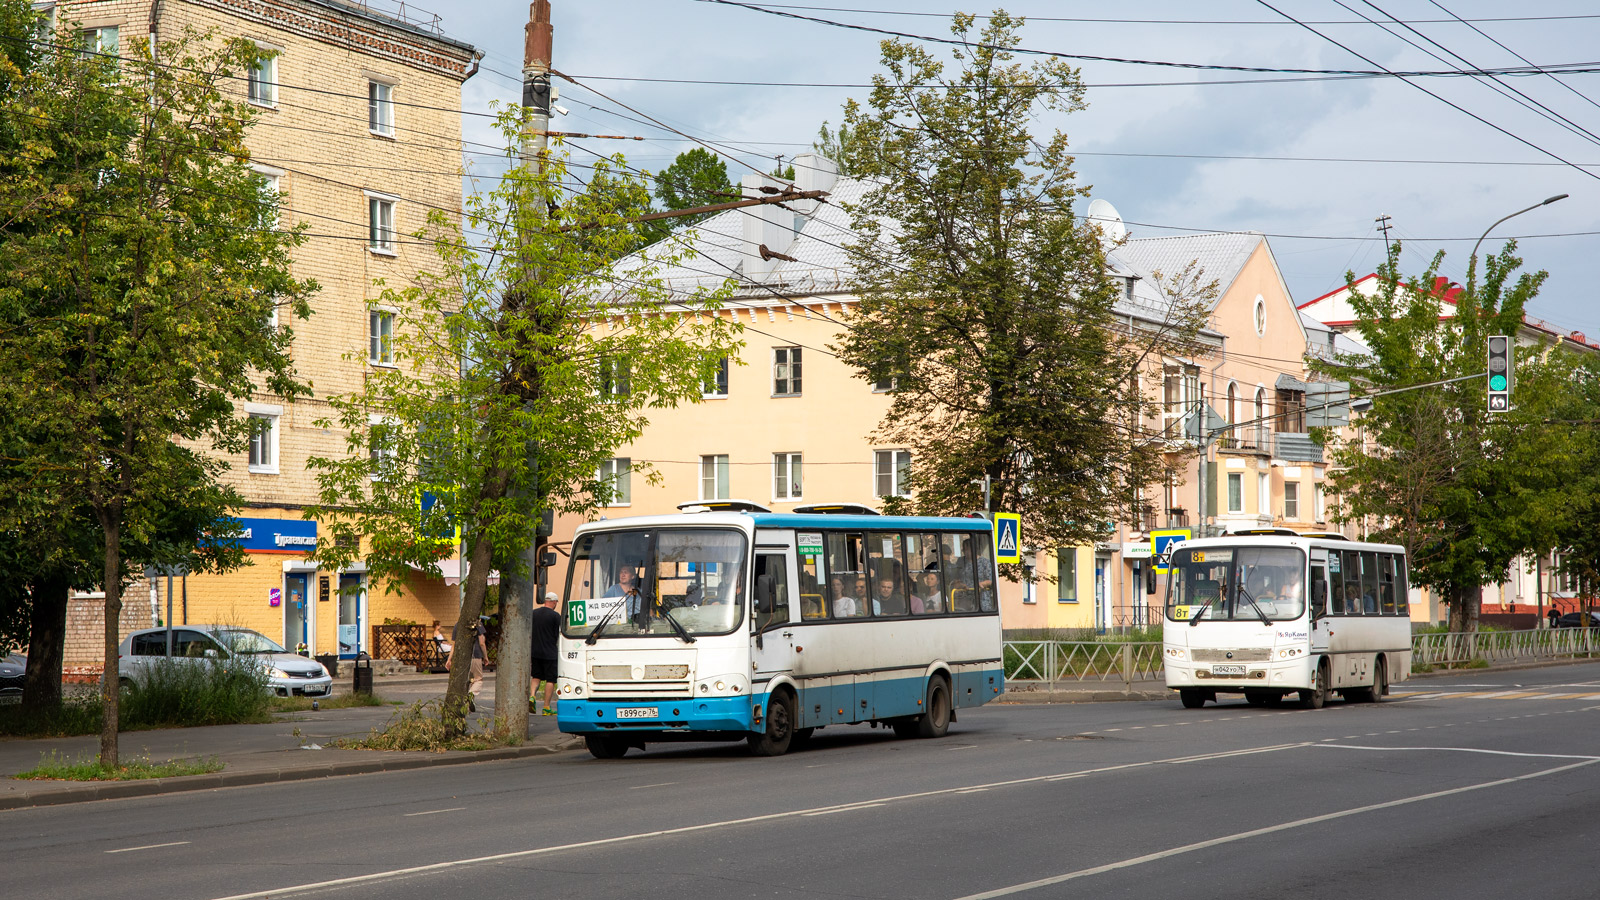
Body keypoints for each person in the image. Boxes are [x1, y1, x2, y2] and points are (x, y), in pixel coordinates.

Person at [530, 592, 562, 716]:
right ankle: (546, 707)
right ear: (554, 602)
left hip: (535, 651)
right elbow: (557, 634)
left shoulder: (533, 614)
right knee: (550, 679)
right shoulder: (555, 616)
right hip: (550, 652)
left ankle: (532, 696)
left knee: (536, 676)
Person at [452, 616, 487, 711]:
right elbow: (482, 643)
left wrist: (449, 659)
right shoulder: (477, 624)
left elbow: (454, 644)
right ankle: (471, 695)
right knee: (478, 679)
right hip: (475, 655)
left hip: (461, 657)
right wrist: (486, 657)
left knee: (466, 680)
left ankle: (465, 705)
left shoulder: (457, 625)